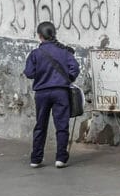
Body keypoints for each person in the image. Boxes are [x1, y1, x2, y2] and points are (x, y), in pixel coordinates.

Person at [23, 21, 80, 168]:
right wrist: (67, 79)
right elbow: (74, 68)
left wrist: (41, 74)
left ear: (40, 36)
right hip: (61, 92)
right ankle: (60, 158)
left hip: (41, 94)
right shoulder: (64, 51)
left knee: (40, 126)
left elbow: (29, 73)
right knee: (61, 126)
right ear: (53, 34)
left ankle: (36, 159)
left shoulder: (35, 54)